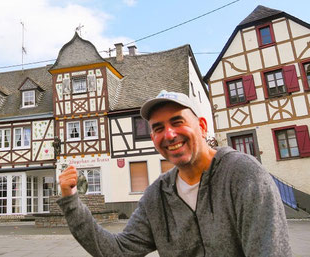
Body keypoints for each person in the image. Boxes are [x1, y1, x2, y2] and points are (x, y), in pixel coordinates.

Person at [57, 90, 291, 257]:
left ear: (201, 126)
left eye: (177, 122)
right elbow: (118, 250)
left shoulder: (242, 174)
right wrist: (71, 201)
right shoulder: (156, 196)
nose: (168, 134)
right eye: (158, 128)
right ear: (153, 139)